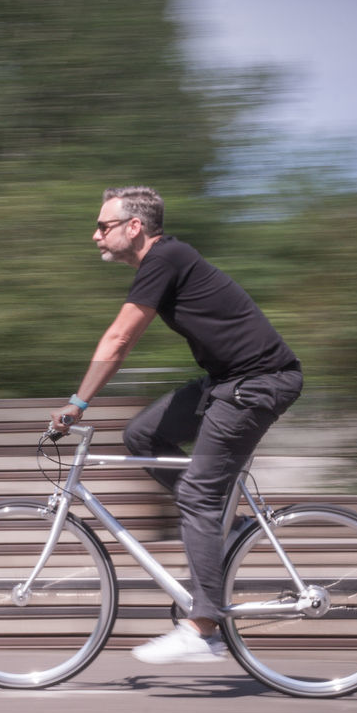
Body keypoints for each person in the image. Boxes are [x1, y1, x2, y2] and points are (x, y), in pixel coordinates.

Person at [50, 186, 303, 665]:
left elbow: (120, 338)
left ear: (134, 227)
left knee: (198, 496)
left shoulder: (165, 258)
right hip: (228, 381)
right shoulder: (164, 262)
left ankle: (203, 628)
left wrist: (78, 402)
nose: (94, 235)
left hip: (258, 383)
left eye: (103, 226)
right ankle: (227, 531)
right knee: (142, 435)